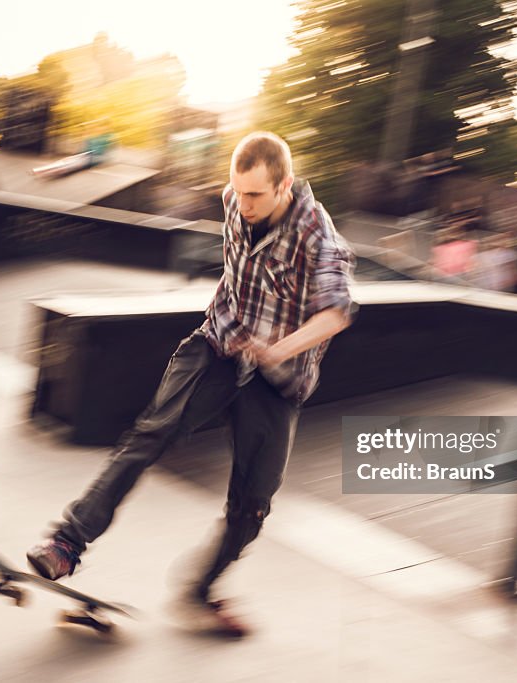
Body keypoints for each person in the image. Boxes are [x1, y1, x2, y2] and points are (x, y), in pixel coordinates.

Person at [26, 132, 356, 637]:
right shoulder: (232, 200)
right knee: (151, 433)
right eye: (238, 192)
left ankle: (202, 591)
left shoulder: (318, 234)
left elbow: (336, 313)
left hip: (278, 379)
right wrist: (245, 338)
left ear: (285, 185)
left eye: (256, 196)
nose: (243, 205)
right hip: (219, 345)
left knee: (252, 506)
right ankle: (67, 543)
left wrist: (279, 349)